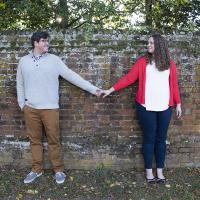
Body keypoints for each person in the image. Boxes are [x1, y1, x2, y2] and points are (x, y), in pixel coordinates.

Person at [16, 31, 101, 184]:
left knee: (54, 140)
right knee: (34, 141)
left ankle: (58, 170)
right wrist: (22, 104)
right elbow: (19, 84)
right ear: (35, 43)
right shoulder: (23, 61)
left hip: (50, 109)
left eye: (47, 41)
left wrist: (92, 89)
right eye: (44, 41)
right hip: (30, 109)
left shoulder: (54, 60)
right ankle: (36, 169)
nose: (47, 44)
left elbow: (71, 75)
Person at [102, 34, 182, 183]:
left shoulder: (170, 64)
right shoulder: (142, 62)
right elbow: (129, 79)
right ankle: (148, 171)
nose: (148, 45)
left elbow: (174, 85)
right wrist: (110, 90)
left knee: (161, 139)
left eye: (151, 43)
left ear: (159, 45)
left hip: (165, 107)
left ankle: (160, 170)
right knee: (149, 139)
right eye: (148, 43)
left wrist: (178, 103)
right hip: (146, 107)